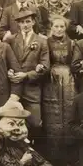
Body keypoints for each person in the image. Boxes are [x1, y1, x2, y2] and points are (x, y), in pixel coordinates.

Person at [6, 9, 50, 146]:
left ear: (33, 22)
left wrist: (27, 75)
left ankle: (32, 151)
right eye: (22, 22)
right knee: (13, 122)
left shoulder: (41, 41)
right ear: (18, 24)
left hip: (32, 88)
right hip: (14, 88)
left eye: (28, 21)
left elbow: (45, 66)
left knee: (35, 122)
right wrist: (10, 72)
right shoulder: (12, 39)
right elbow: (7, 61)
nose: (25, 25)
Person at [41, 16, 76, 166]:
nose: (59, 29)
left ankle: (70, 157)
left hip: (68, 79)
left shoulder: (72, 43)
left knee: (68, 114)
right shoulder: (46, 42)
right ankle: (54, 158)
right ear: (51, 27)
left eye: (62, 26)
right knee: (53, 116)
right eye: (56, 26)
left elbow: (73, 62)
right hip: (51, 80)